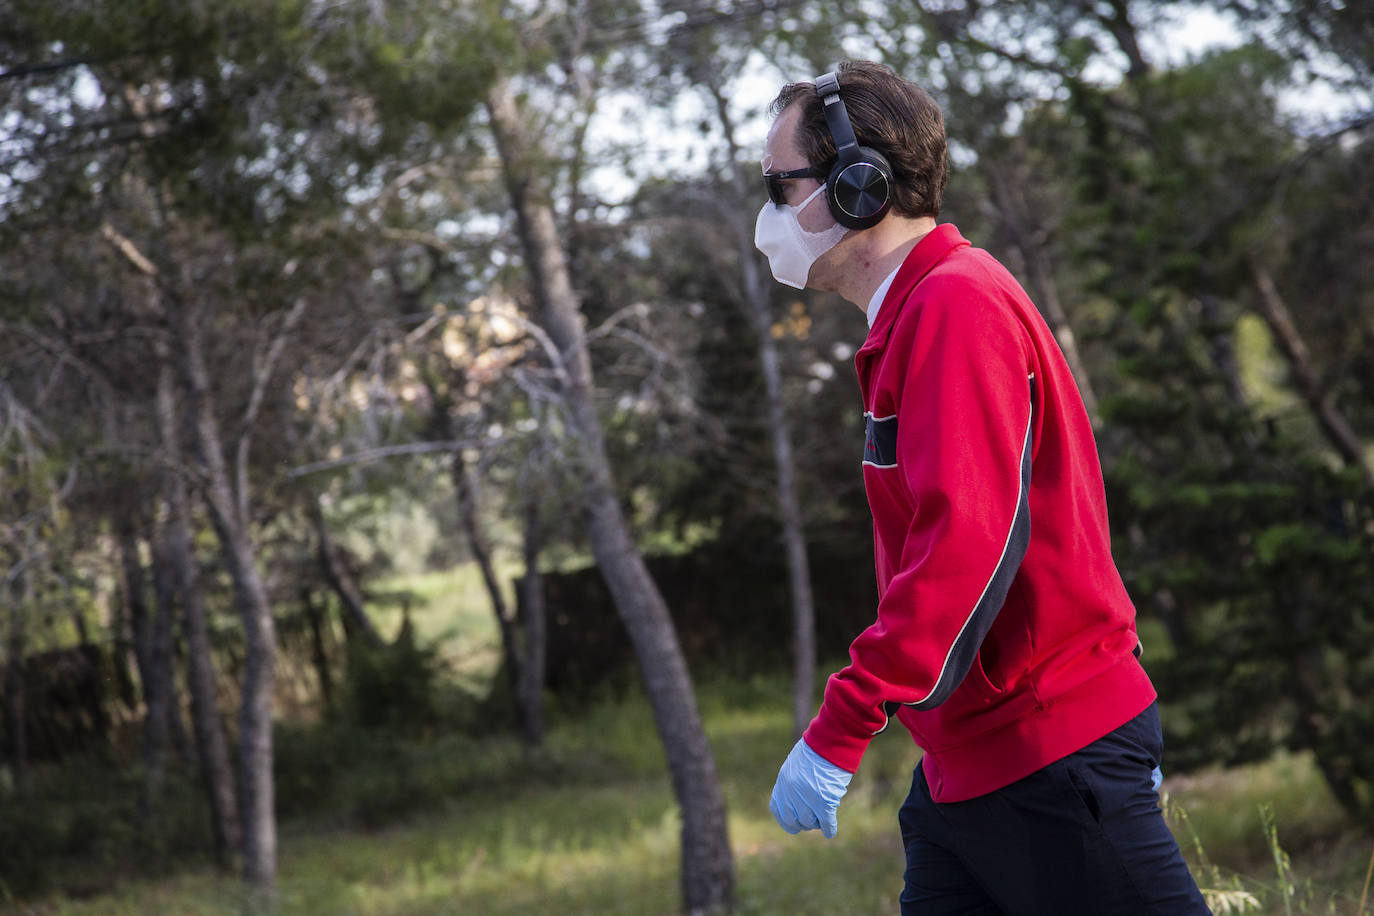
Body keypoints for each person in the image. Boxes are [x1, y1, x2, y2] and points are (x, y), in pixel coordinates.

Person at [757, 60, 1210, 914]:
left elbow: (963, 547)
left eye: (780, 185)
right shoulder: (915, 313)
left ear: (860, 188)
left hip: (1050, 751)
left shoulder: (955, 307)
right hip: (970, 770)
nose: (769, 213)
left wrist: (841, 725)